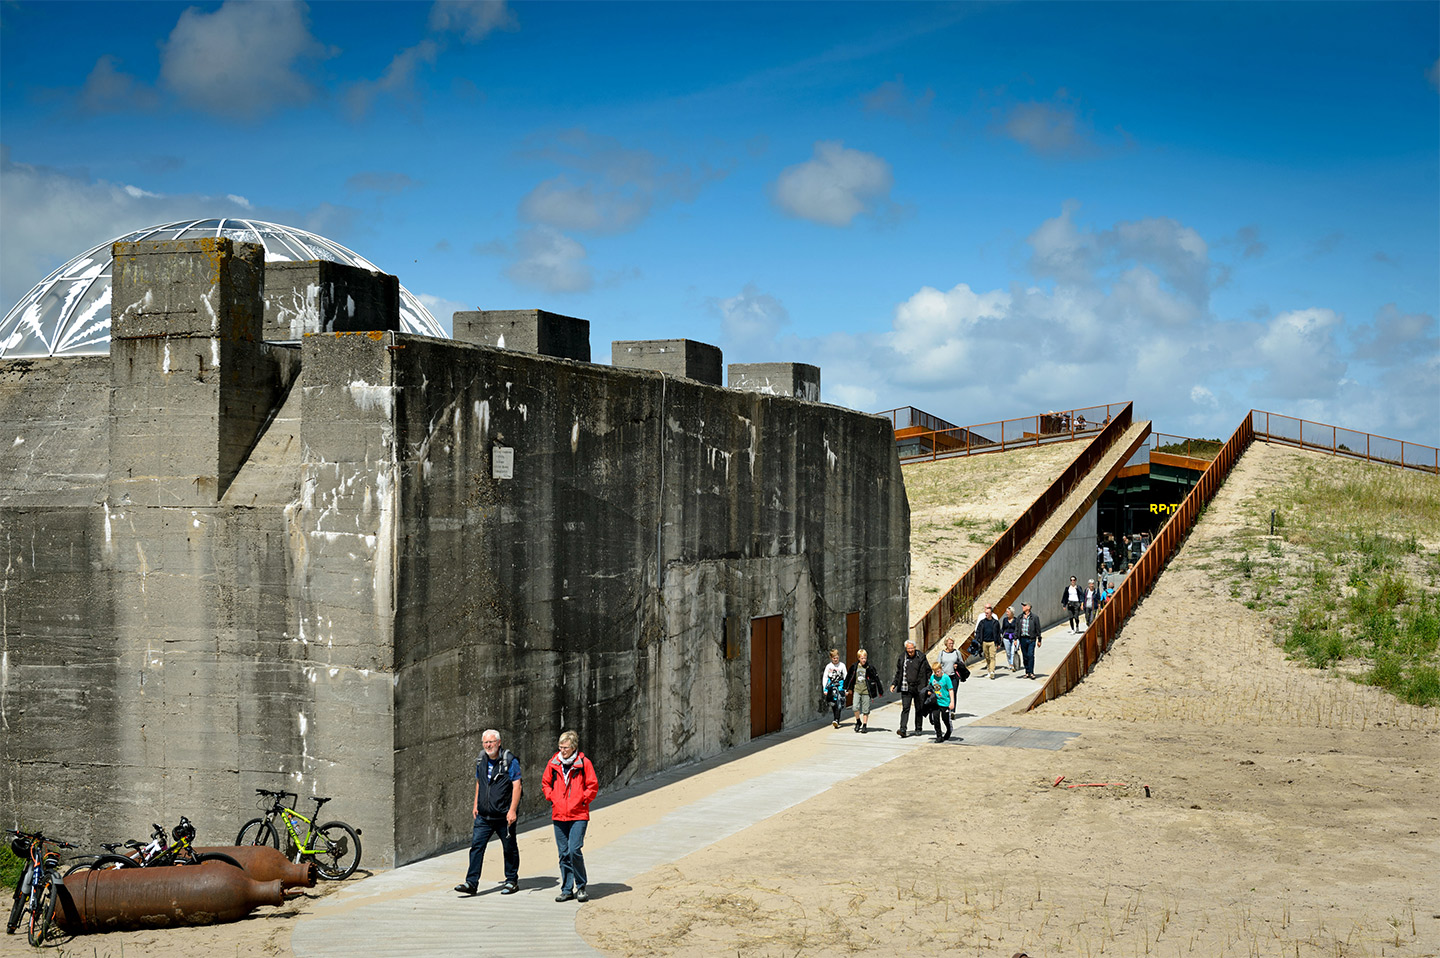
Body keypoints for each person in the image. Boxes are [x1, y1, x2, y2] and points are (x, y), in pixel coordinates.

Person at [456, 729, 522, 896]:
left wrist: (512, 810)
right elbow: (480, 782)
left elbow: (517, 785)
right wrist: (475, 804)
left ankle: (511, 880)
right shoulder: (481, 759)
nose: (488, 745)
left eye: (491, 742)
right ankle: (471, 883)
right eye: (485, 742)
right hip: (484, 816)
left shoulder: (509, 760)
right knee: (476, 848)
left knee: (509, 849)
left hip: (503, 816)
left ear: (499, 742)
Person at [542, 730, 598, 903]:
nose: (562, 750)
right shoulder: (553, 763)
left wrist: (582, 800)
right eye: (560, 747)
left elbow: (592, 785)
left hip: (578, 814)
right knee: (563, 853)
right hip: (559, 815)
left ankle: (581, 886)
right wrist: (552, 798)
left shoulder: (584, 763)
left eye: (565, 747)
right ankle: (567, 889)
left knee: (574, 850)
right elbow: (545, 783)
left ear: (573, 747)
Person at [891, 639, 928, 738]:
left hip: (918, 687)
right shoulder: (902, 657)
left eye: (912, 648)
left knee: (919, 708)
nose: (910, 651)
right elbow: (899, 672)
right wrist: (894, 684)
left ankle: (918, 728)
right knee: (905, 708)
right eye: (908, 649)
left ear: (915, 648)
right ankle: (903, 728)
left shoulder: (921, 657)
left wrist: (926, 685)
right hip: (906, 687)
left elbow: (928, 671)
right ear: (906, 649)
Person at [845, 648, 883, 733]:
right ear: (858, 658)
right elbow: (849, 678)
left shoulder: (870, 668)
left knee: (866, 709)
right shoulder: (854, 667)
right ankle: (858, 721)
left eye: (865, 658)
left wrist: (880, 691)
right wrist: (848, 688)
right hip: (857, 690)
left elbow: (876, 679)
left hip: (866, 691)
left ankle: (865, 725)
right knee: (855, 707)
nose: (864, 660)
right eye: (862, 658)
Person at [936, 636, 965, 715]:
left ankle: (952, 711)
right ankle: (945, 709)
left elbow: (962, 663)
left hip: (954, 677)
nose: (951, 645)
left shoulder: (956, 652)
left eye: (952, 643)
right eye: (949, 643)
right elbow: (937, 665)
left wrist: (957, 665)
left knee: (953, 693)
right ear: (946, 644)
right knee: (945, 693)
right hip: (944, 677)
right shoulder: (941, 653)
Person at [1015, 602, 1043, 680]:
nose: (1022, 607)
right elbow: (1017, 629)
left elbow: (1038, 629)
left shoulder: (1034, 617)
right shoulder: (1020, 617)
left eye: (1024, 605)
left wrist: (1039, 639)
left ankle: (1031, 672)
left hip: (1031, 639)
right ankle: (1027, 672)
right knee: (1025, 656)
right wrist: (1015, 639)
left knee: (1030, 655)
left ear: (1029, 607)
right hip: (1022, 639)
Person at [927, 662, 953, 742]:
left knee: (945, 719)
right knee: (936, 719)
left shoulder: (946, 678)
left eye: (938, 671)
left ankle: (949, 730)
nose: (937, 674)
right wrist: (929, 692)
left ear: (941, 669)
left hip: (945, 702)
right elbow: (930, 686)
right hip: (936, 702)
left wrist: (952, 702)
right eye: (935, 672)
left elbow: (951, 690)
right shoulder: (933, 678)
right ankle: (939, 735)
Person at [822, 649, 848, 728]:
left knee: (839, 704)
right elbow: (825, 677)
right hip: (831, 687)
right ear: (831, 658)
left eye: (837, 658)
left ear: (839, 657)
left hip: (840, 687)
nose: (835, 659)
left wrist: (846, 689)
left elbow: (846, 677)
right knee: (833, 704)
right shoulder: (829, 666)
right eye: (834, 658)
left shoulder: (842, 665)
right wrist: (825, 689)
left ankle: (836, 719)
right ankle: (836, 718)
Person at [975, 604, 1002, 679]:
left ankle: (992, 671)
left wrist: (998, 643)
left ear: (991, 613)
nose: (986, 614)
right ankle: (989, 671)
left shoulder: (995, 622)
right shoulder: (982, 622)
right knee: (987, 657)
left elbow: (998, 633)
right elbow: (978, 631)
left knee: (992, 656)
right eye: (985, 613)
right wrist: (978, 640)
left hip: (992, 642)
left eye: (987, 613)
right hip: (984, 642)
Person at [1000, 606, 1020, 673]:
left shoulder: (1016, 620)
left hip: (1014, 638)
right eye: (1006, 612)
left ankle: (1012, 665)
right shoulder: (1005, 620)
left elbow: (1018, 630)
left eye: (1008, 612)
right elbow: (1003, 629)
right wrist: (1000, 635)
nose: (1006, 613)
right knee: (1008, 653)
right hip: (1006, 638)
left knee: (1012, 652)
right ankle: (1010, 664)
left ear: (1012, 613)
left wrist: (1016, 639)